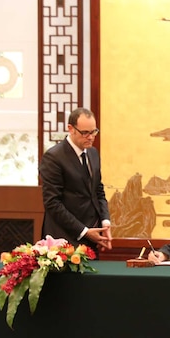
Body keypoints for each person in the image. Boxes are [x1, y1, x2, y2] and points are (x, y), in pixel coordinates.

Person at [39, 107, 112, 252]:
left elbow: (98, 190)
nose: (90, 137)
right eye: (85, 133)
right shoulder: (54, 157)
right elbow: (52, 203)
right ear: (70, 128)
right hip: (63, 240)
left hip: (92, 238)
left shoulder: (93, 153)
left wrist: (105, 222)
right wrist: (84, 231)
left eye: (94, 132)